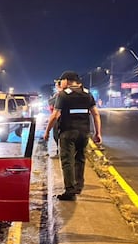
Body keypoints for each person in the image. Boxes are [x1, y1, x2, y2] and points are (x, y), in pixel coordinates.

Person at [43, 71, 102, 201]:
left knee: (67, 161)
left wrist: (47, 131)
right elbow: (95, 114)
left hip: (67, 132)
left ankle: (70, 190)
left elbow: (55, 115)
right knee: (80, 158)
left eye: (61, 80)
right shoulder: (87, 94)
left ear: (67, 81)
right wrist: (98, 132)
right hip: (84, 132)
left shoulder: (63, 95)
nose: (60, 83)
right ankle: (78, 186)